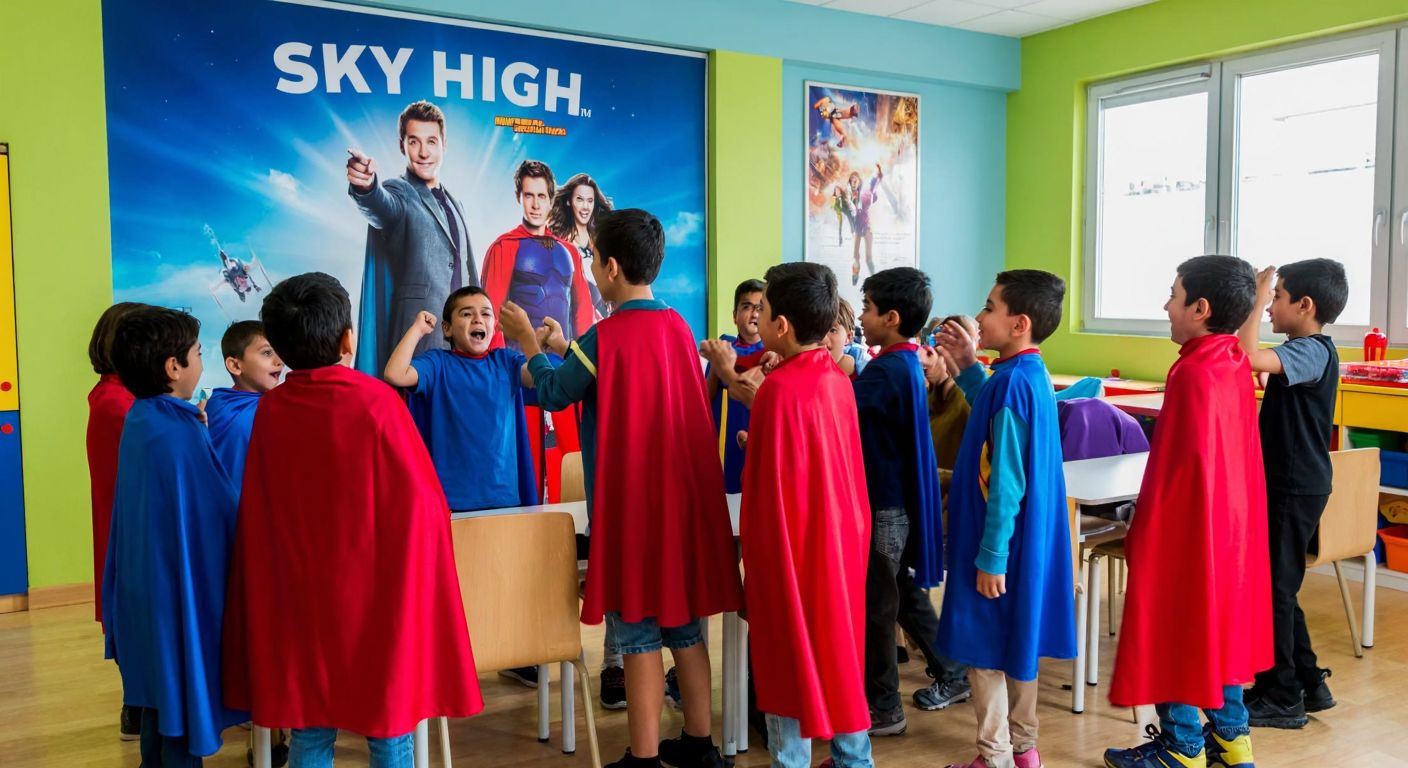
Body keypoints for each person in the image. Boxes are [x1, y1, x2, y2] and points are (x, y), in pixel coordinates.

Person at [499, 209, 741, 768]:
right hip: (680, 512)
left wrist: (527, 343)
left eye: (591, 260)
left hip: (632, 515)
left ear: (609, 267)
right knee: (686, 634)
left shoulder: (605, 335)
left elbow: (557, 392)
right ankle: (701, 747)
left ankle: (645, 757)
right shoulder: (678, 327)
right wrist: (565, 346)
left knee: (636, 641)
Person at [223, 273, 483, 767]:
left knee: (310, 731)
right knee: (387, 730)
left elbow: (263, 515)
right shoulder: (376, 401)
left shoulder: (272, 411)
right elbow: (425, 506)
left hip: (302, 605)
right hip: (376, 603)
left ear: (279, 347)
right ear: (348, 340)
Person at [1104, 256, 1268, 768]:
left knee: (1175, 626)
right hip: (1230, 526)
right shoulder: (1233, 360)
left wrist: (1145, 529)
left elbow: (1179, 470)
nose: (1165, 305)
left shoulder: (1192, 372)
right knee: (1221, 628)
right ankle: (1231, 737)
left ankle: (1181, 745)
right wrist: (1256, 301)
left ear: (1200, 308)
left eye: (1173, 296)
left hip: (1190, 530)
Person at [933, 270, 1075, 768]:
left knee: (983, 650)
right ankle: (1024, 748)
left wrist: (991, 557)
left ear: (1018, 323)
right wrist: (970, 365)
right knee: (1018, 643)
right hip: (1020, 545)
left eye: (989, 307)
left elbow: (1006, 481)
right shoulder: (1026, 374)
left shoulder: (1013, 386)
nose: (979, 315)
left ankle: (992, 756)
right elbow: (992, 407)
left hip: (998, 547)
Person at [738, 261, 873, 768]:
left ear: (782, 326)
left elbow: (766, 493)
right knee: (839, 655)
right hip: (838, 546)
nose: (759, 319)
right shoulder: (838, 382)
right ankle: (853, 758)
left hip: (792, 552)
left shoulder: (777, 392)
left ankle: (791, 760)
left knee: (789, 658)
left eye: (764, 310)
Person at [104, 306, 247, 766]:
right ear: (174, 367)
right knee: (181, 704)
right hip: (176, 598)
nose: (200, 361)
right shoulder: (179, 432)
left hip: (147, 592)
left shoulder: (144, 419)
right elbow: (220, 512)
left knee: (159, 700)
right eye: (197, 353)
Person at [1236, 259, 1347, 729]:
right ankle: (1307, 681)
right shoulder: (1302, 350)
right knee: (1280, 586)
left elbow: (1244, 356)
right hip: (1291, 482)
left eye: (1277, 298)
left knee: (1274, 591)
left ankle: (1281, 696)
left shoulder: (1311, 350)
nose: (1269, 307)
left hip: (1293, 485)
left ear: (1305, 306)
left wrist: (1252, 298)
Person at [851, 267, 947, 737]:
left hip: (884, 508)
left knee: (877, 612)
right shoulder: (905, 362)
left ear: (890, 317)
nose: (862, 317)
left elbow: (839, 412)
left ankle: (885, 708)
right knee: (897, 598)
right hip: (896, 507)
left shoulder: (887, 369)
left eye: (866, 308)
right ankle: (950, 672)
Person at [482, 159, 596, 514]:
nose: (535, 203)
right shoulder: (503, 247)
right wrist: (503, 377)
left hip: (563, 374)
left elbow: (582, 313)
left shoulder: (568, 252)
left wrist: (580, 366)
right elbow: (492, 317)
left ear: (551, 200)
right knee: (525, 468)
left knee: (571, 468)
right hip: (520, 375)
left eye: (542, 196)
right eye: (528, 195)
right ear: (519, 197)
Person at [348, 99, 476, 378]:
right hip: (419, 339)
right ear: (401, 145)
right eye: (414, 141)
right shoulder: (400, 191)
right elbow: (381, 206)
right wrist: (366, 186)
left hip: (462, 342)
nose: (423, 152)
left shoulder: (457, 203)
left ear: (444, 144)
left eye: (431, 141)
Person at [383, 286, 537, 513]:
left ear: (494, 325)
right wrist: (417, 329)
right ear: (447, 328)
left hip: (504, 499)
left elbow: (537, 376)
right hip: (451, 504)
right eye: (466, 314)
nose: (478, 319)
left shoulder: (506, 361)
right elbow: (394, 373)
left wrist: (528, 337)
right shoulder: (438, 364)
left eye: (485, 314)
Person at [84, 300, 147, 740]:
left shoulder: (114, 397)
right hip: (128, 531)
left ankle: (137, 705)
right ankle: (139, 705)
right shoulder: (120, 405)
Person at [205, 321, 284, 490]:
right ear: (235, 365)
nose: (280, 361)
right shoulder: (218, 406)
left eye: (279, 351)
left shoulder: (216, 403)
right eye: (267, 352)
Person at [549, 172, 614, 318]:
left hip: (604, 317)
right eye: (580, 199)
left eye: (590, 201)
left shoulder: (602, 243)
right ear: (569, 201)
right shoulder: (558, 243)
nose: (585, 206)